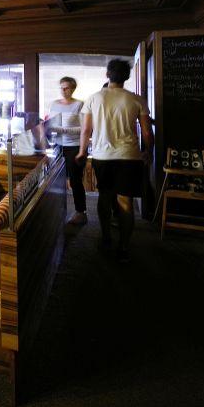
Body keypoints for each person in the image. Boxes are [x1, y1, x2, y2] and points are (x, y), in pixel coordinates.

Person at [77, 60, 153, 262]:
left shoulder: (93, 98)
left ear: (107, 75)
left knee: (104, 196)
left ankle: (106, 238)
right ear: (126, 77)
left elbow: (86, 130)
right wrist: (149, 152)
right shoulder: (137, 100)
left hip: (103, 156)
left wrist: (82, 152)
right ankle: (124, 248)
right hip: (129, 156)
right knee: (125, 202)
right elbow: (147, 132)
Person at [46, 77, 87, 224]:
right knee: (56, 180)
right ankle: (56, 210)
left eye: (67, 88)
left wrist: (62, 129)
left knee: (75, 180)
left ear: (73, 89)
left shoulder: (79, 104)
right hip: (57, 146)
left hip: (74, 146)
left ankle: (80, 211)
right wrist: (48, 128)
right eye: (61, 88)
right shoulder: (54, 104)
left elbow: (85, 129)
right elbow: (50, 124)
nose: (63, 91)